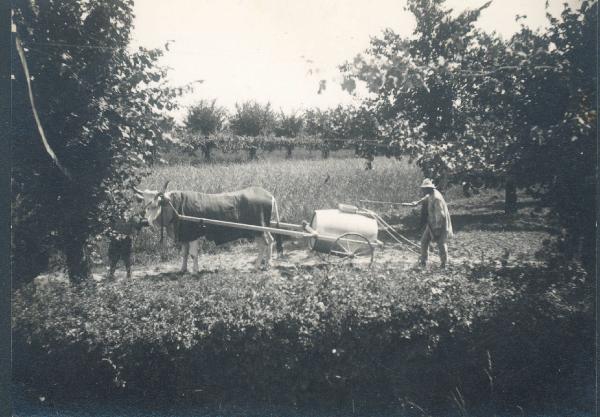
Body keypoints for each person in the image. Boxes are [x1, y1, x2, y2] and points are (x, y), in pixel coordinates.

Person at [402, 179, 453, 268]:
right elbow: (425, 198)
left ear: (429, 188)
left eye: (425, 189)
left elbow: (440, 215)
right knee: (424, 241)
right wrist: (415, 203)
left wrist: (437, 228)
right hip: (431, 223)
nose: (423, 190)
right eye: (423, 188)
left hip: (440, 224)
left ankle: (444, 264)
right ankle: (423, 262)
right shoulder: (430, 194)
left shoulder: (437, 198)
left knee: (441, 243)